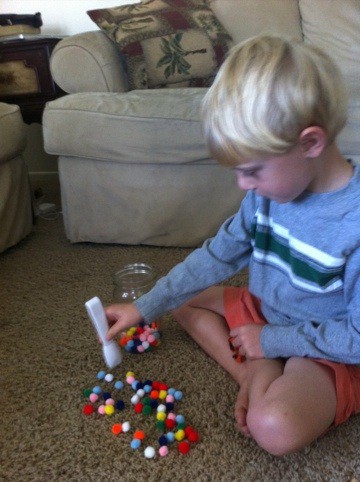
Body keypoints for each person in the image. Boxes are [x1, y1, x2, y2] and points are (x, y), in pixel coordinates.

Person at [104, 35, 360, 456]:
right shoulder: (265, 196)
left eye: (252, 171)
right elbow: (217, 255)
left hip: (324, 344)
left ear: (310, 143)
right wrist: (144, 306)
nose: (243, 186)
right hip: (266, 312)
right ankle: (252, 372)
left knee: (273, 426)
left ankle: (262, 365)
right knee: (178, 298)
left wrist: (273, 342)